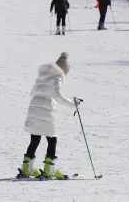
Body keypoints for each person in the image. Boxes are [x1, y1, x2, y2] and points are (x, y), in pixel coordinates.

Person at [19, 52, 79, 180]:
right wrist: (73, 104)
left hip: (34, 110)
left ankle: (27, 168)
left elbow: (33, 93)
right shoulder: (56, 78)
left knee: (35, 139)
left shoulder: (42, 77)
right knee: (52, 139)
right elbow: (57, 96)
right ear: (63, 70)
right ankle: (49, 169)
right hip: (46, 112)